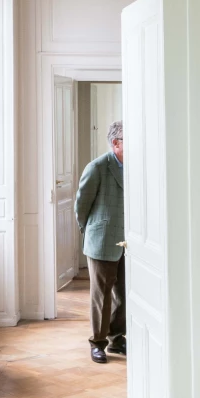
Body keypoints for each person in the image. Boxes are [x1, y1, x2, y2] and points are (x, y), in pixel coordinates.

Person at [74, 120, 126, 364]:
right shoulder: (97, 167)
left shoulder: (136, 167)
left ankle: (117, 338)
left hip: (129, 243)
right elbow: (81, 206)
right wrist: (92, 231)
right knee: (102, 297)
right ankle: (97, 343)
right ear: (116, 143)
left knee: (124, 296)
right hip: (102, 241)